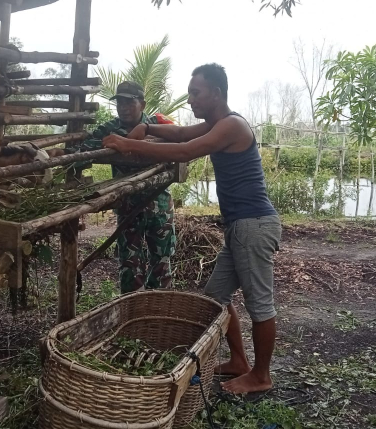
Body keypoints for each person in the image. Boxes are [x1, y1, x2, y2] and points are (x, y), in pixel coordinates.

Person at [102, 63, 281, 395]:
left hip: (253, 225)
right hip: (240, 227)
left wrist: (130, 144)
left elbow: (185, 150)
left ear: (216, 93)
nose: (190, 100)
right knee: (215, 297)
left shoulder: (232, 125)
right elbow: (182, 134)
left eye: (195, 93)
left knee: (259, 303)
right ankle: (240, 361)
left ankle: (261, 376)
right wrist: (147, 127)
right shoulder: (217, 124)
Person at [53, 81, 176, 293]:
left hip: (159, 204)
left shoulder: (158, 125)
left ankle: (159, 307)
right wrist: (62, 155)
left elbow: (182, 142)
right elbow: (85, 149)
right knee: (129, 264)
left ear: (142, 104)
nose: (123, 108)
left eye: (129, 103)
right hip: (128, 206)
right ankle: (131, 309)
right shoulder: (109, 129)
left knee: (162, 262)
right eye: (120, 103)